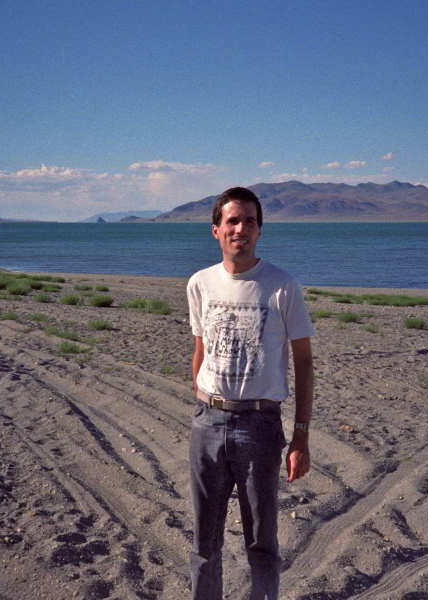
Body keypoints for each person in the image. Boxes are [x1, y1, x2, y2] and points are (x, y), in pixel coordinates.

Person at [186, 186, 315, 600]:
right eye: (232, 221)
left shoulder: (282, 286)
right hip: (208, 424)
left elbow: (304, 362)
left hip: (260, 426)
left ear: (260, 231)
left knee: (261, 543)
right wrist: (205, 400)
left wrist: (301, 435)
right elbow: (200, 349)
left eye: (250, 221)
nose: (241, 228)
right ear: (216, 230)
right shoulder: (200, 283)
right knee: (205, 544)